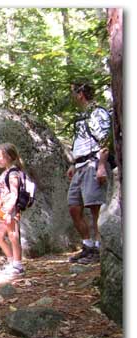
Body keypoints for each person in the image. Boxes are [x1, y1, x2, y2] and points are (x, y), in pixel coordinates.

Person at [67, 81, 111, 264]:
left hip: (93, 164)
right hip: (79, 166)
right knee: (74, 207)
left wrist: (101, 166)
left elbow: (105, 141)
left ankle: (99, 250)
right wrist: (72, 164)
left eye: (72, 92)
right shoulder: (80, 116)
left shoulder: (97, 113)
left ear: (80, 94)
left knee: (95, 208)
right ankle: (87, 245)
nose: (71, 97)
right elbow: (79, 142)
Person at [0, 143, 25, 276]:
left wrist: (8, 211)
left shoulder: (13, 173)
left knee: (13, 235)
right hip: (3, 209)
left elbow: (14, 194)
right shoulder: (6, 172)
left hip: (9, 209)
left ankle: (17, 265)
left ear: (8, 157)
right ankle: (11, 261)